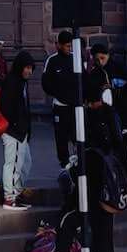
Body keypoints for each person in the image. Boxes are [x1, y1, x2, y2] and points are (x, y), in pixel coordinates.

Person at [0, 50, 37, 209]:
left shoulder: (22, 82)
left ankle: (16, 192)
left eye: (31, 68)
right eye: (26, 67)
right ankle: (9, 197)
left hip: (21, 132)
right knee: (13, 164)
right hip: (13, 131)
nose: (29, 71)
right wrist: (15, 125)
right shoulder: (12, 82)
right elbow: (5, 106)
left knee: (25, 163)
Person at [41, 29, 79, 168]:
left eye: (71, 46)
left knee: (77, 135)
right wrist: (59, 94)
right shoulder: (52, 61)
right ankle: (64, 163)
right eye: (67, 46)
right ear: (59, 45)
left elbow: (83, 81)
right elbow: (45, 83)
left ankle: (78, 162)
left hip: (75, 106)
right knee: (61, 138)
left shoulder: (76, 59)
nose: (69, 48)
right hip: (60, 106)